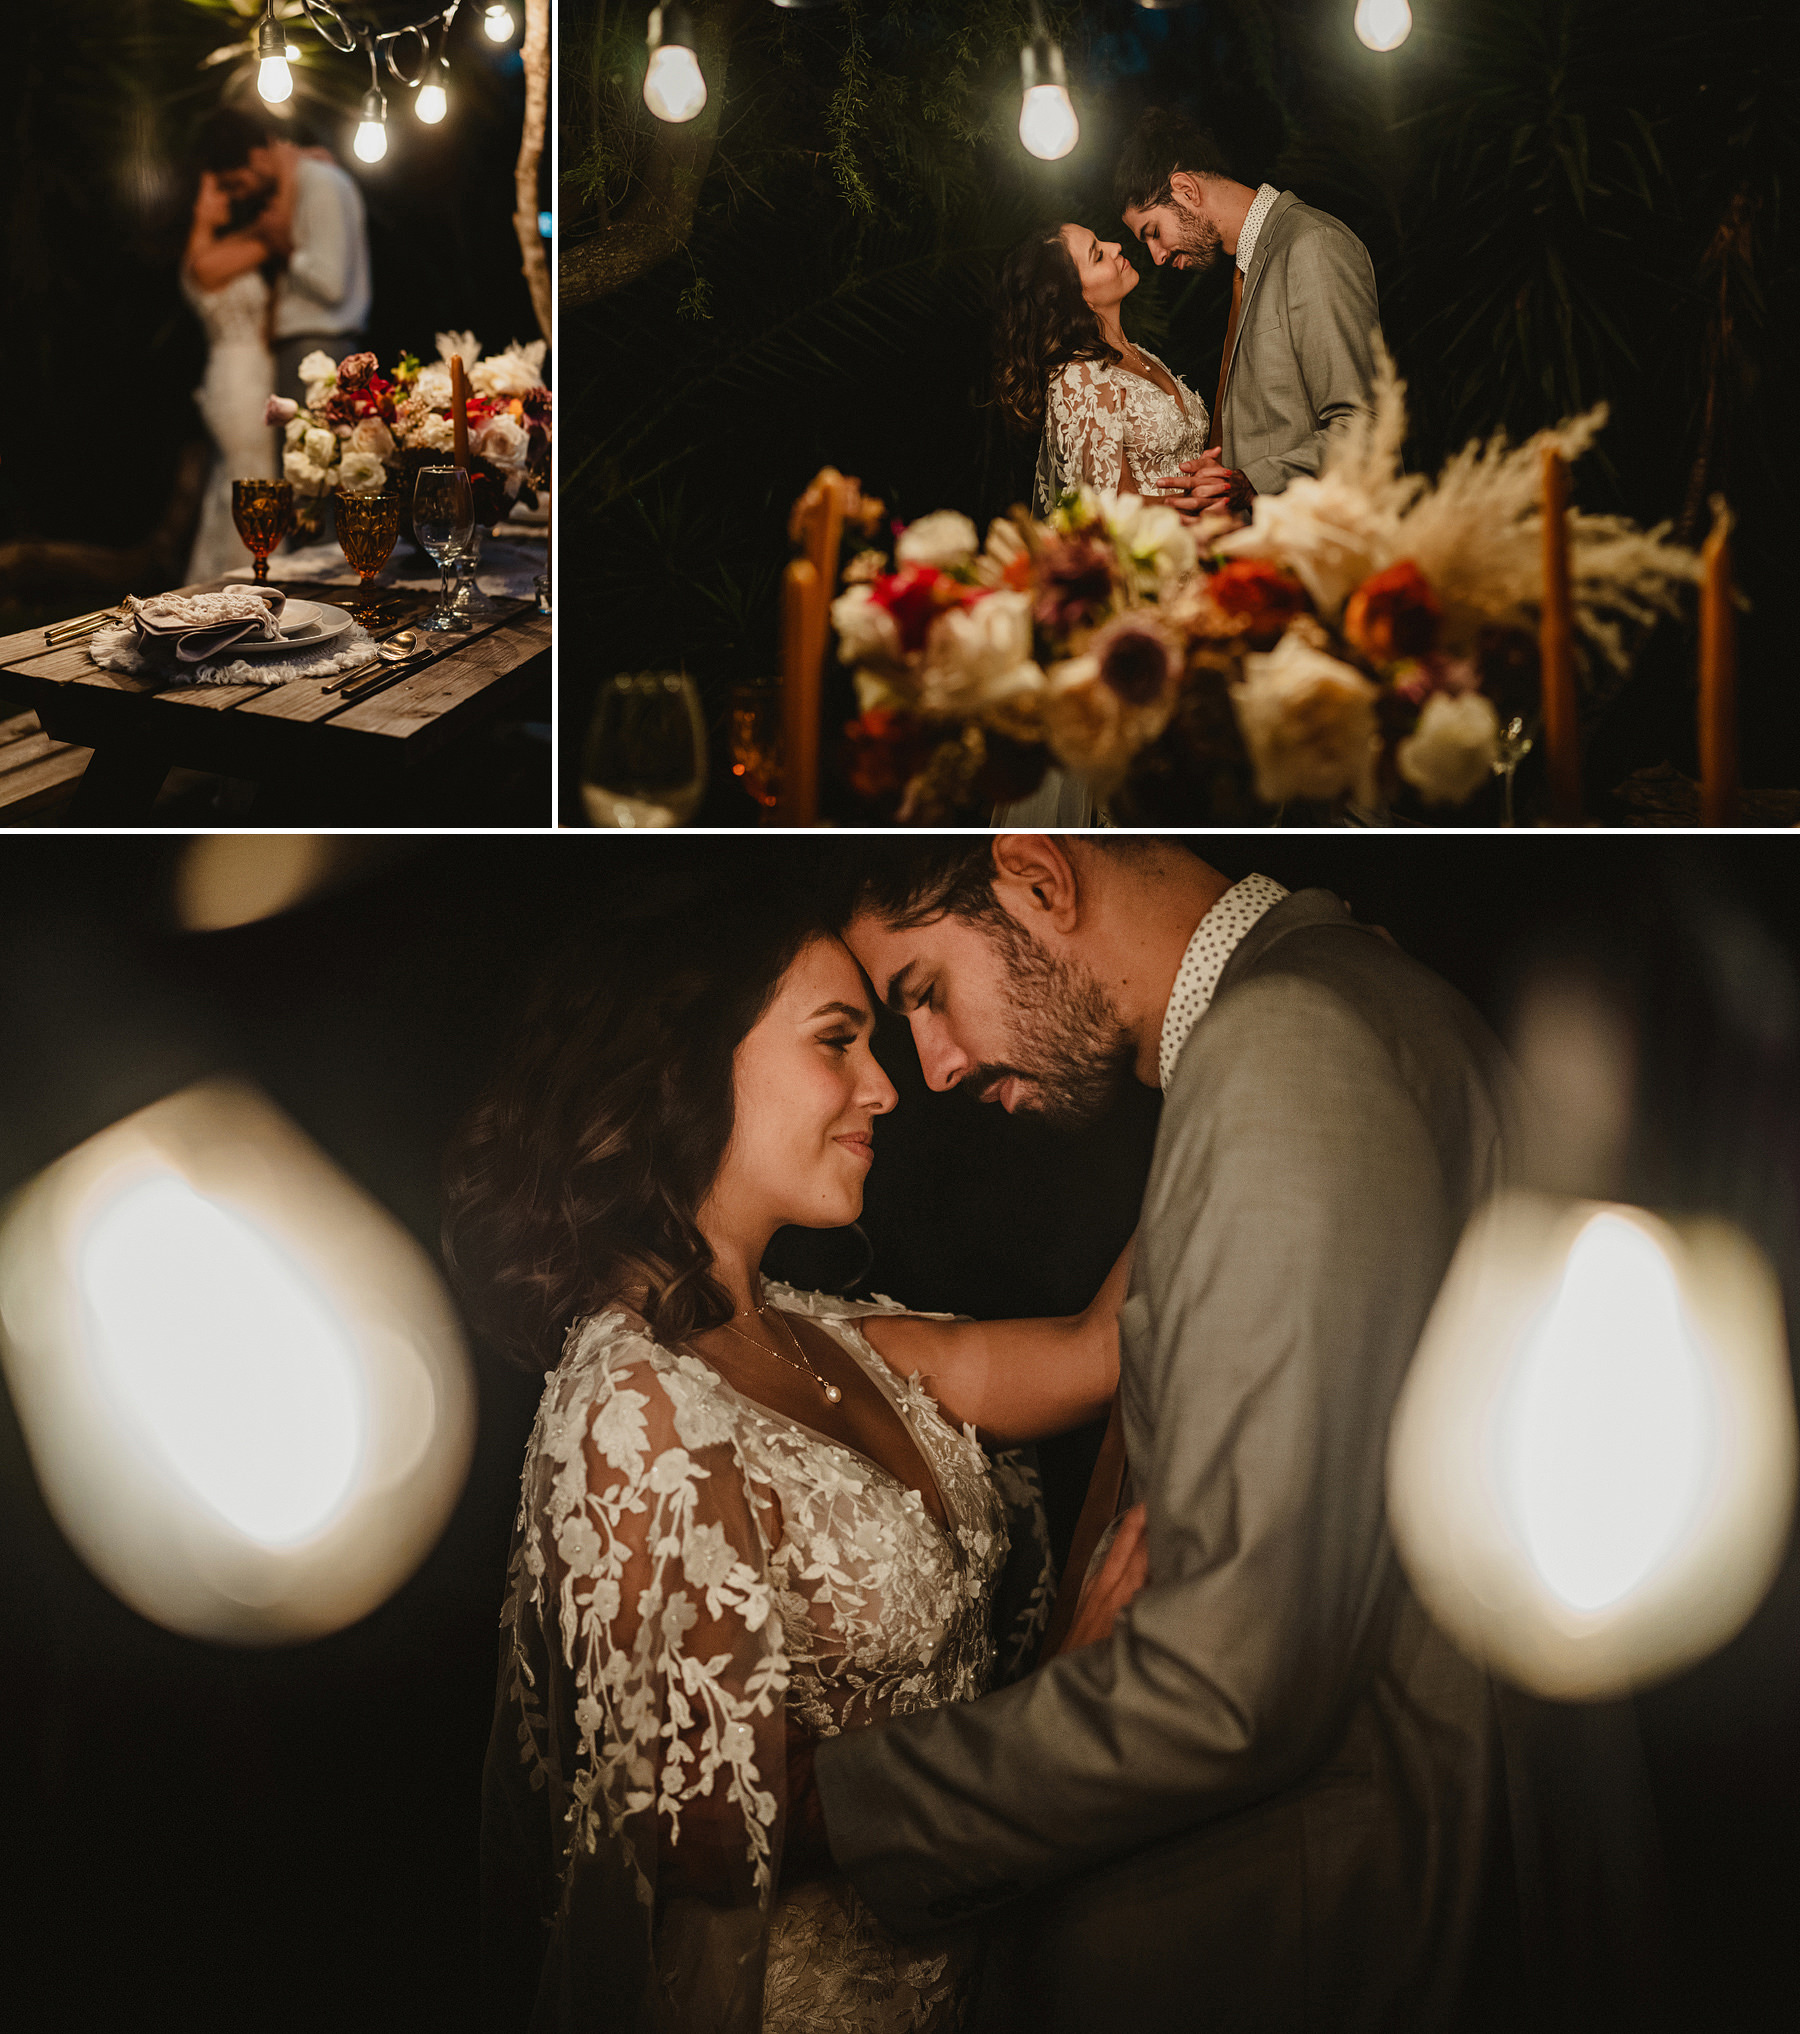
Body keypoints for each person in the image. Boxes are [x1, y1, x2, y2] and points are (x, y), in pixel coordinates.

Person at [793, 834, 1659, 2033]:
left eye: (925, 994)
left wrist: (843, 1811)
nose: (930, 1068)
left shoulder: (1285, 1041)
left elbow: (1236, 1679)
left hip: (1318, 1932)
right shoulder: (1359, 987)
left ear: (1037, 874)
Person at [444, 874, 1134, 2033]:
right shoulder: (634, 1405)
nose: (886, 1087)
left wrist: (1243, 1053)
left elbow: (1101, 1346)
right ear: (688, 1062)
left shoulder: (833, 1339)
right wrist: (1062, 1712)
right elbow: (701, 1835)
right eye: (838, 1042)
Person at [1116, 108, 1384, 520]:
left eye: (1153, 231)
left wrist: (1254, 481)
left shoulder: (1311, 245)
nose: (1156, 255)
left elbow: (1364, 426)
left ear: (1186, 189)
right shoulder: (1249, 266)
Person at [993, 224, 1233, 522]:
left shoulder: (1139, 354)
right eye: (1097, 254)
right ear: (1077, 298)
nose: (1115, 246)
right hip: (1149, 554)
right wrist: (1199, 497)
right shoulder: (1077, 378)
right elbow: (1110, 505)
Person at [181, 113, 291, 581]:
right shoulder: (204, 261)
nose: (225, 195)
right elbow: (277, 235)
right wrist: (293, 168)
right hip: (236, 378)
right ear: (196, 202)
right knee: (253, 477)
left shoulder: (220, 249)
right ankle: (250, 580)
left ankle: (233, 577)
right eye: (215, 189)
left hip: (253, 371)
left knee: (240, 478)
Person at [203, 107, 371, 404]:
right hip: (307, 346)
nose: (239, 196)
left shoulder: (321, 185)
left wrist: (288, 250)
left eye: (236, 184)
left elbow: (330, 285)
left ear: (257, 157)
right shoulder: (297, 188)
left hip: (318, 345)